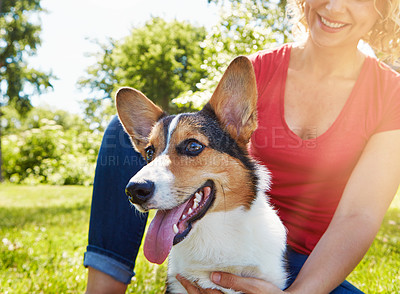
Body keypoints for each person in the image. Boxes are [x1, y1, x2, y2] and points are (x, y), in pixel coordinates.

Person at [84, 0, 400, 293]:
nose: (334, 6)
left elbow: (357, 216)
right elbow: (199, 143)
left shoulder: (390, 96)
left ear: (382, 7)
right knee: (124, 134)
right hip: (229, 228)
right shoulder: (256, 70)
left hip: (307, 261)